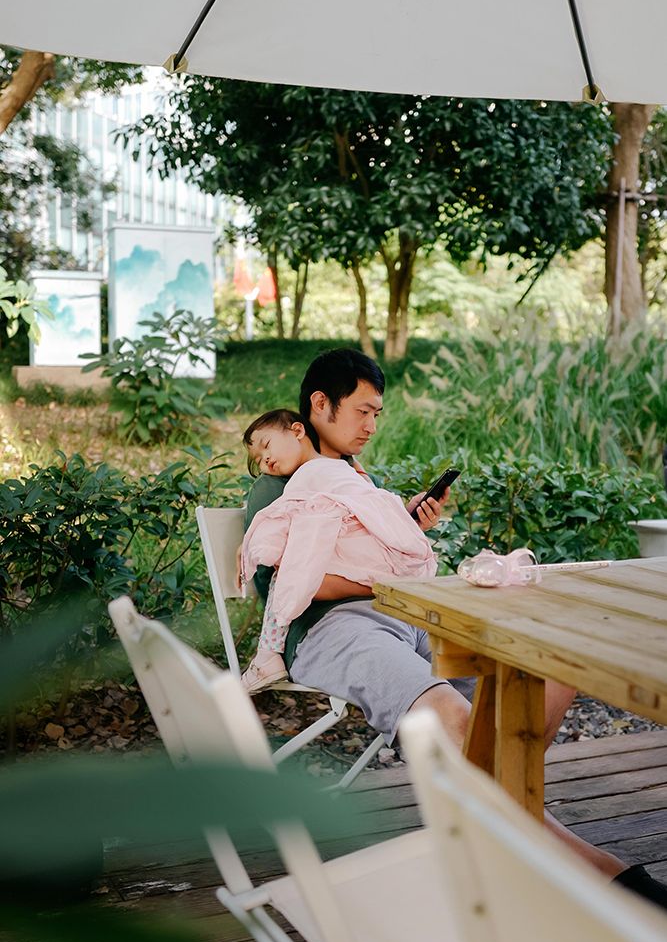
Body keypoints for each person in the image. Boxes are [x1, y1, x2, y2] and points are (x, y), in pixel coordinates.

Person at [242, 347, 667, 909]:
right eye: (362, 411)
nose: (371, 425)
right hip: (335, 632)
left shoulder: (353, 480)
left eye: (378, 414)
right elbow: (292, 583)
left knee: (543, 662)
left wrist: (401, 517)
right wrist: (383, 582)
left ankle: (499, 823)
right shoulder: (280, 483)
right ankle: (605, 878)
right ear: (319, 405)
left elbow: (365, 543)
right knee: (456, 724)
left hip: (408, 618)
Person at [240, 408, 437, 693]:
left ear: (298, 431)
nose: (264, 460)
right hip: (376, 568)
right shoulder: (348, 471)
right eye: (258, 460)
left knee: (285, 577)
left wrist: (253, 542)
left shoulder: (309, 473)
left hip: (360, 583)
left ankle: (267, 656)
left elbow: (285, 515)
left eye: (266, 446)